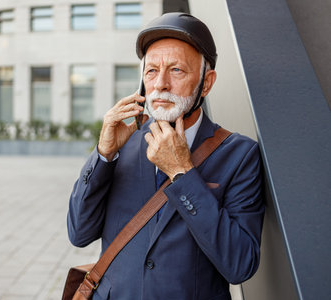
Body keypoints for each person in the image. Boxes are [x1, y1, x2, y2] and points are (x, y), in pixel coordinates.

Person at [67, 12, 264, 300]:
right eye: (151, 71)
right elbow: (79, 233)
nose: (160, 83)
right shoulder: (123, 141)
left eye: (176, 71)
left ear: (206, 83)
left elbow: (240, 266)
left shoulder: (240, 155)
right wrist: (104, 154)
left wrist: (183, 174)